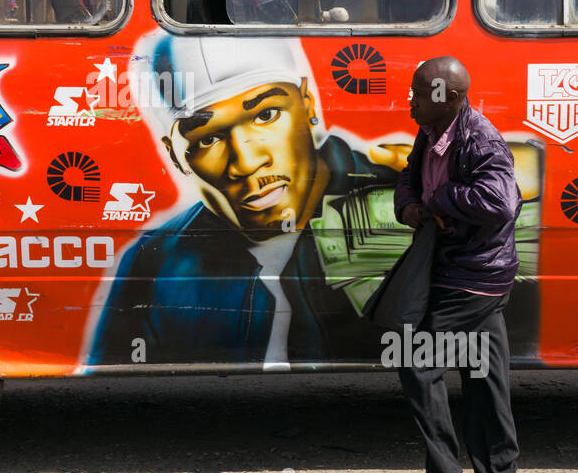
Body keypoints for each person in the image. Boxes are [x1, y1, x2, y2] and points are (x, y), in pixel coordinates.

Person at [81, 32, 396, 371]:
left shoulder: (394, 205)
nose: (245, 162)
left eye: (266, 115)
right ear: (175, 156)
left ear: (307, 104)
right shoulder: (156, 259)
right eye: (209, 138)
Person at [392, 56, 524, 473]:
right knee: (484, 373)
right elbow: (410, 178)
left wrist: (440, 198)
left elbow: (500, 203)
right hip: (464, 270)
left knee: (413, 355)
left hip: (473, 275)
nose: (409, 100)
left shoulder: (479, 141)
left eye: (416, 92)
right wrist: (409, 204)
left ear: (443, 97)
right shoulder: (430, 132)